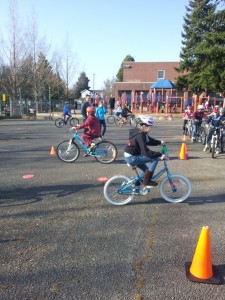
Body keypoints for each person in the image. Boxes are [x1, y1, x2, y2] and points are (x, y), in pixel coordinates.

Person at [124, 115, 167, 187]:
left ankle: (136, 184)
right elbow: (145, 152)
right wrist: (160, 155)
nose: (151, 128)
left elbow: (149, 140)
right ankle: (147, 181)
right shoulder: (140, 135)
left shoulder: (141, 132)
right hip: (132, 157)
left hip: (131, 155)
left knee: (146, 171)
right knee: (155, 159)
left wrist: (160, 142)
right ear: (145, 126)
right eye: (151, 126)